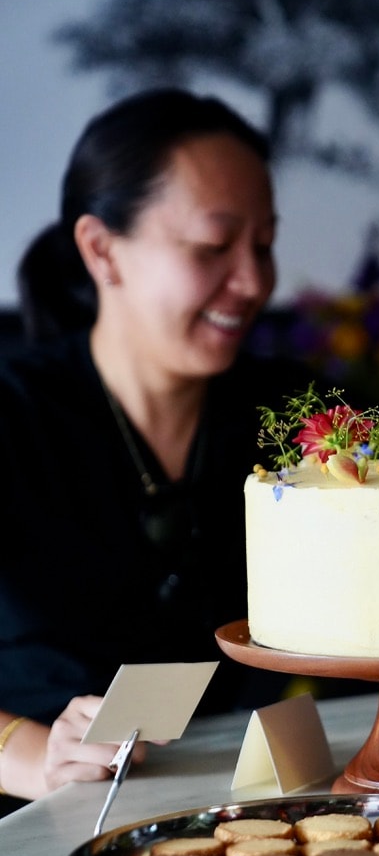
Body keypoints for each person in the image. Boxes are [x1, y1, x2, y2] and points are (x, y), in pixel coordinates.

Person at [0, 88, 303, 804]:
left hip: (237, 814)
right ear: (102, 250)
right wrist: (35, 756)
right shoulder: (12, 419)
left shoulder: (288, 413)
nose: (254, 282)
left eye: (264, 246)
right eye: (212, 247)